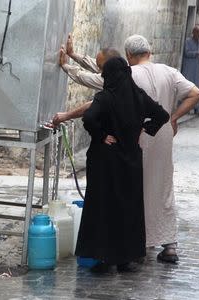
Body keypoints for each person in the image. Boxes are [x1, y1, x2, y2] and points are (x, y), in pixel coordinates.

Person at [54, 35, 199, 263]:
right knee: (162, 186)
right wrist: (174, 118)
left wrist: (67, 67)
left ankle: (131, 245)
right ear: (149, 52)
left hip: (134, 138)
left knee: (133, 191)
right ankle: (168, 243)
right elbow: (196, 94)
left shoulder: (128, 75)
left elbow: (96, 86)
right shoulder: (169, 72)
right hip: (161, 134)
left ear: (129, 56)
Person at [76, 57, 170, 272]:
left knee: (103, 207)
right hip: (130, 160)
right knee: (128, 208)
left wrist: (101, 135)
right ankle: (125, 258)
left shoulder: (105, 97)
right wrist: (145, 129)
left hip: (105, 161)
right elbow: (162, 115)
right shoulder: (139, 97)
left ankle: (102, 257)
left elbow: (89, 118)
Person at [181, 26, 199, 116]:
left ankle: (196, 108)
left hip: (197, 69)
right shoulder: (187, 41)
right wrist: (197, 53)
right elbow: (186, 52)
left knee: (197, 89)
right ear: (193, 32)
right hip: (189, 68)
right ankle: (186, 108)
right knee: (187, 88)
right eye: (198, 32)